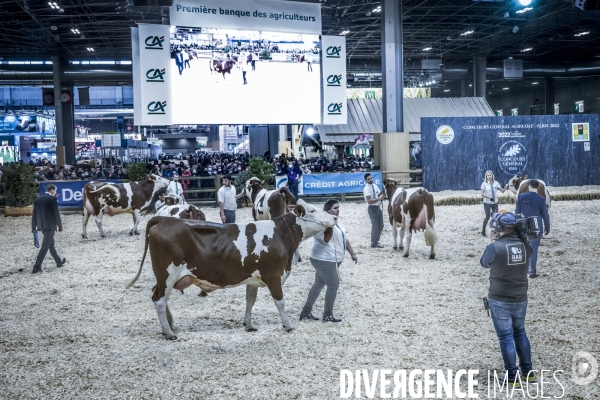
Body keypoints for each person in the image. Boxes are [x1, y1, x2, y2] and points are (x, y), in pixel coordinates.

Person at [480, 212, 535, 388]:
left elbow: (484, 263)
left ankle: (512, 376)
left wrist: (492, 242)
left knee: (505, 337)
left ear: (499, 228)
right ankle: (528, 373)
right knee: (520, 332)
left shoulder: (495, 247)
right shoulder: (526, 246)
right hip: (520, 298)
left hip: (500, 299)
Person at [300, 200, 357, 323]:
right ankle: (327, 315)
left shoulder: (336, 220)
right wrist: (330, 226)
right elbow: (326, 240)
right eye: (335, 208)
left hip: (332, 259)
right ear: (328, 210)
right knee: (333, 286)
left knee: (318, 285)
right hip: (324, 259)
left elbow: (344, 237)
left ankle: (305, 312)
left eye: (338, 207)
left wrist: (352, 252)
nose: (338, 210)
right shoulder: (322, 223)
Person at [515, 179, 550, 278]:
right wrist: (547, 228)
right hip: (536, 225)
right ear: (538, 187)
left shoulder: (521, 197)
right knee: (533, 249)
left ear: (529, 187)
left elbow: (517, 213)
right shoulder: (541, 199)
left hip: (524, 225)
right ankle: (532, 272)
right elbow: (545, 216)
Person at [31, 184, 66, 274]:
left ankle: (58, 262)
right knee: (45, 246)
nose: (55, 193)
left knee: (51, 244)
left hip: (41, 225)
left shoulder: (38, 199)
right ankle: (37, 267)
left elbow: (34, 214)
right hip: (50, 226)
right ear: (52, 190)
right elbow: (56, 213)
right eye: (55, 191)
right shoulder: (52, 199)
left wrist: (33, 227)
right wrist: (60, 225)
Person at [481, 170, 508, 237]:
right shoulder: (484, 184)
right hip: (487, 202)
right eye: (488, 175)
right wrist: (489, 197)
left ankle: (496, 231)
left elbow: (502, 191)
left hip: (494, 202)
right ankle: (483, 231)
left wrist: (505, 187)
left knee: (495, 217)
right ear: (486, 176)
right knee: (487, 216)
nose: (489, 177)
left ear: (492, 176)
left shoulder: (496, 183)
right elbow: (482, 194)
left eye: (490, 175)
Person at [363, 173, 385, 248]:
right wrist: (379, 199)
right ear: (366, 180)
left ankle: (377, 241)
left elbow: (379, 194)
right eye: (369, 179)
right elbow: (369, 201)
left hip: (378, 207)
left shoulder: (375, 186)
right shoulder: (366, 189)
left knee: (381, 225)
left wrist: (384, 190)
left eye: (371, 178)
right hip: (372, 208)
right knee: (375, 226)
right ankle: (373, 243)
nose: (370, 180)